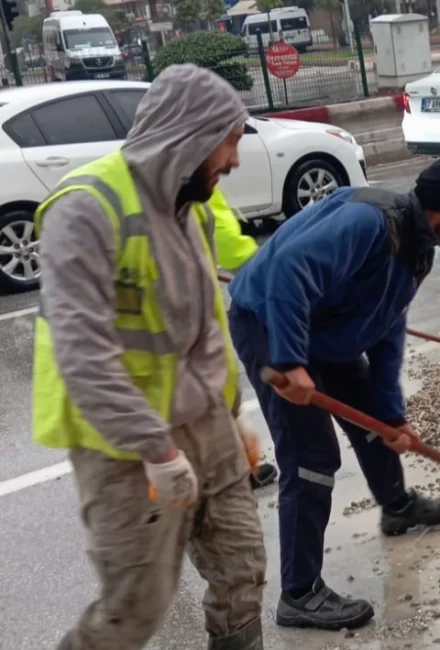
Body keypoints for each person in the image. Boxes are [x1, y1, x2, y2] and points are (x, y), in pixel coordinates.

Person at [35, 64, 266, 650]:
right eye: (229, 140)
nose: (234, 160)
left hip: (205, 419)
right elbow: (82, 351)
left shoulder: (193, 204)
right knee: (136, 605)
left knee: (241, 567)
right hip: (124, 444)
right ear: (188, 135)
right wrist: (157, 449)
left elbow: (207, 320)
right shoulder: (86, 209)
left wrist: (233, 408)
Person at [226, 156, 440, 631]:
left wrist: (392, 415)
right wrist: (289, 361)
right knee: (312, 457)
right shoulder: (370, 222)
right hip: (270, 321)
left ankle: (397, 506)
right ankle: (300, 593)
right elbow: (288, 269)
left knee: (375, 421)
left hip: (328, 329)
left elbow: (387, 330)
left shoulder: (417, 246)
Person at [201, 187, 280, 490]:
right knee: (208, 383)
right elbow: (231, 246)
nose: (233, 159)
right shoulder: (194, 178)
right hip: (174, 317)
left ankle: (238, 462)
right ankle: (237, 464)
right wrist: (270, 274)